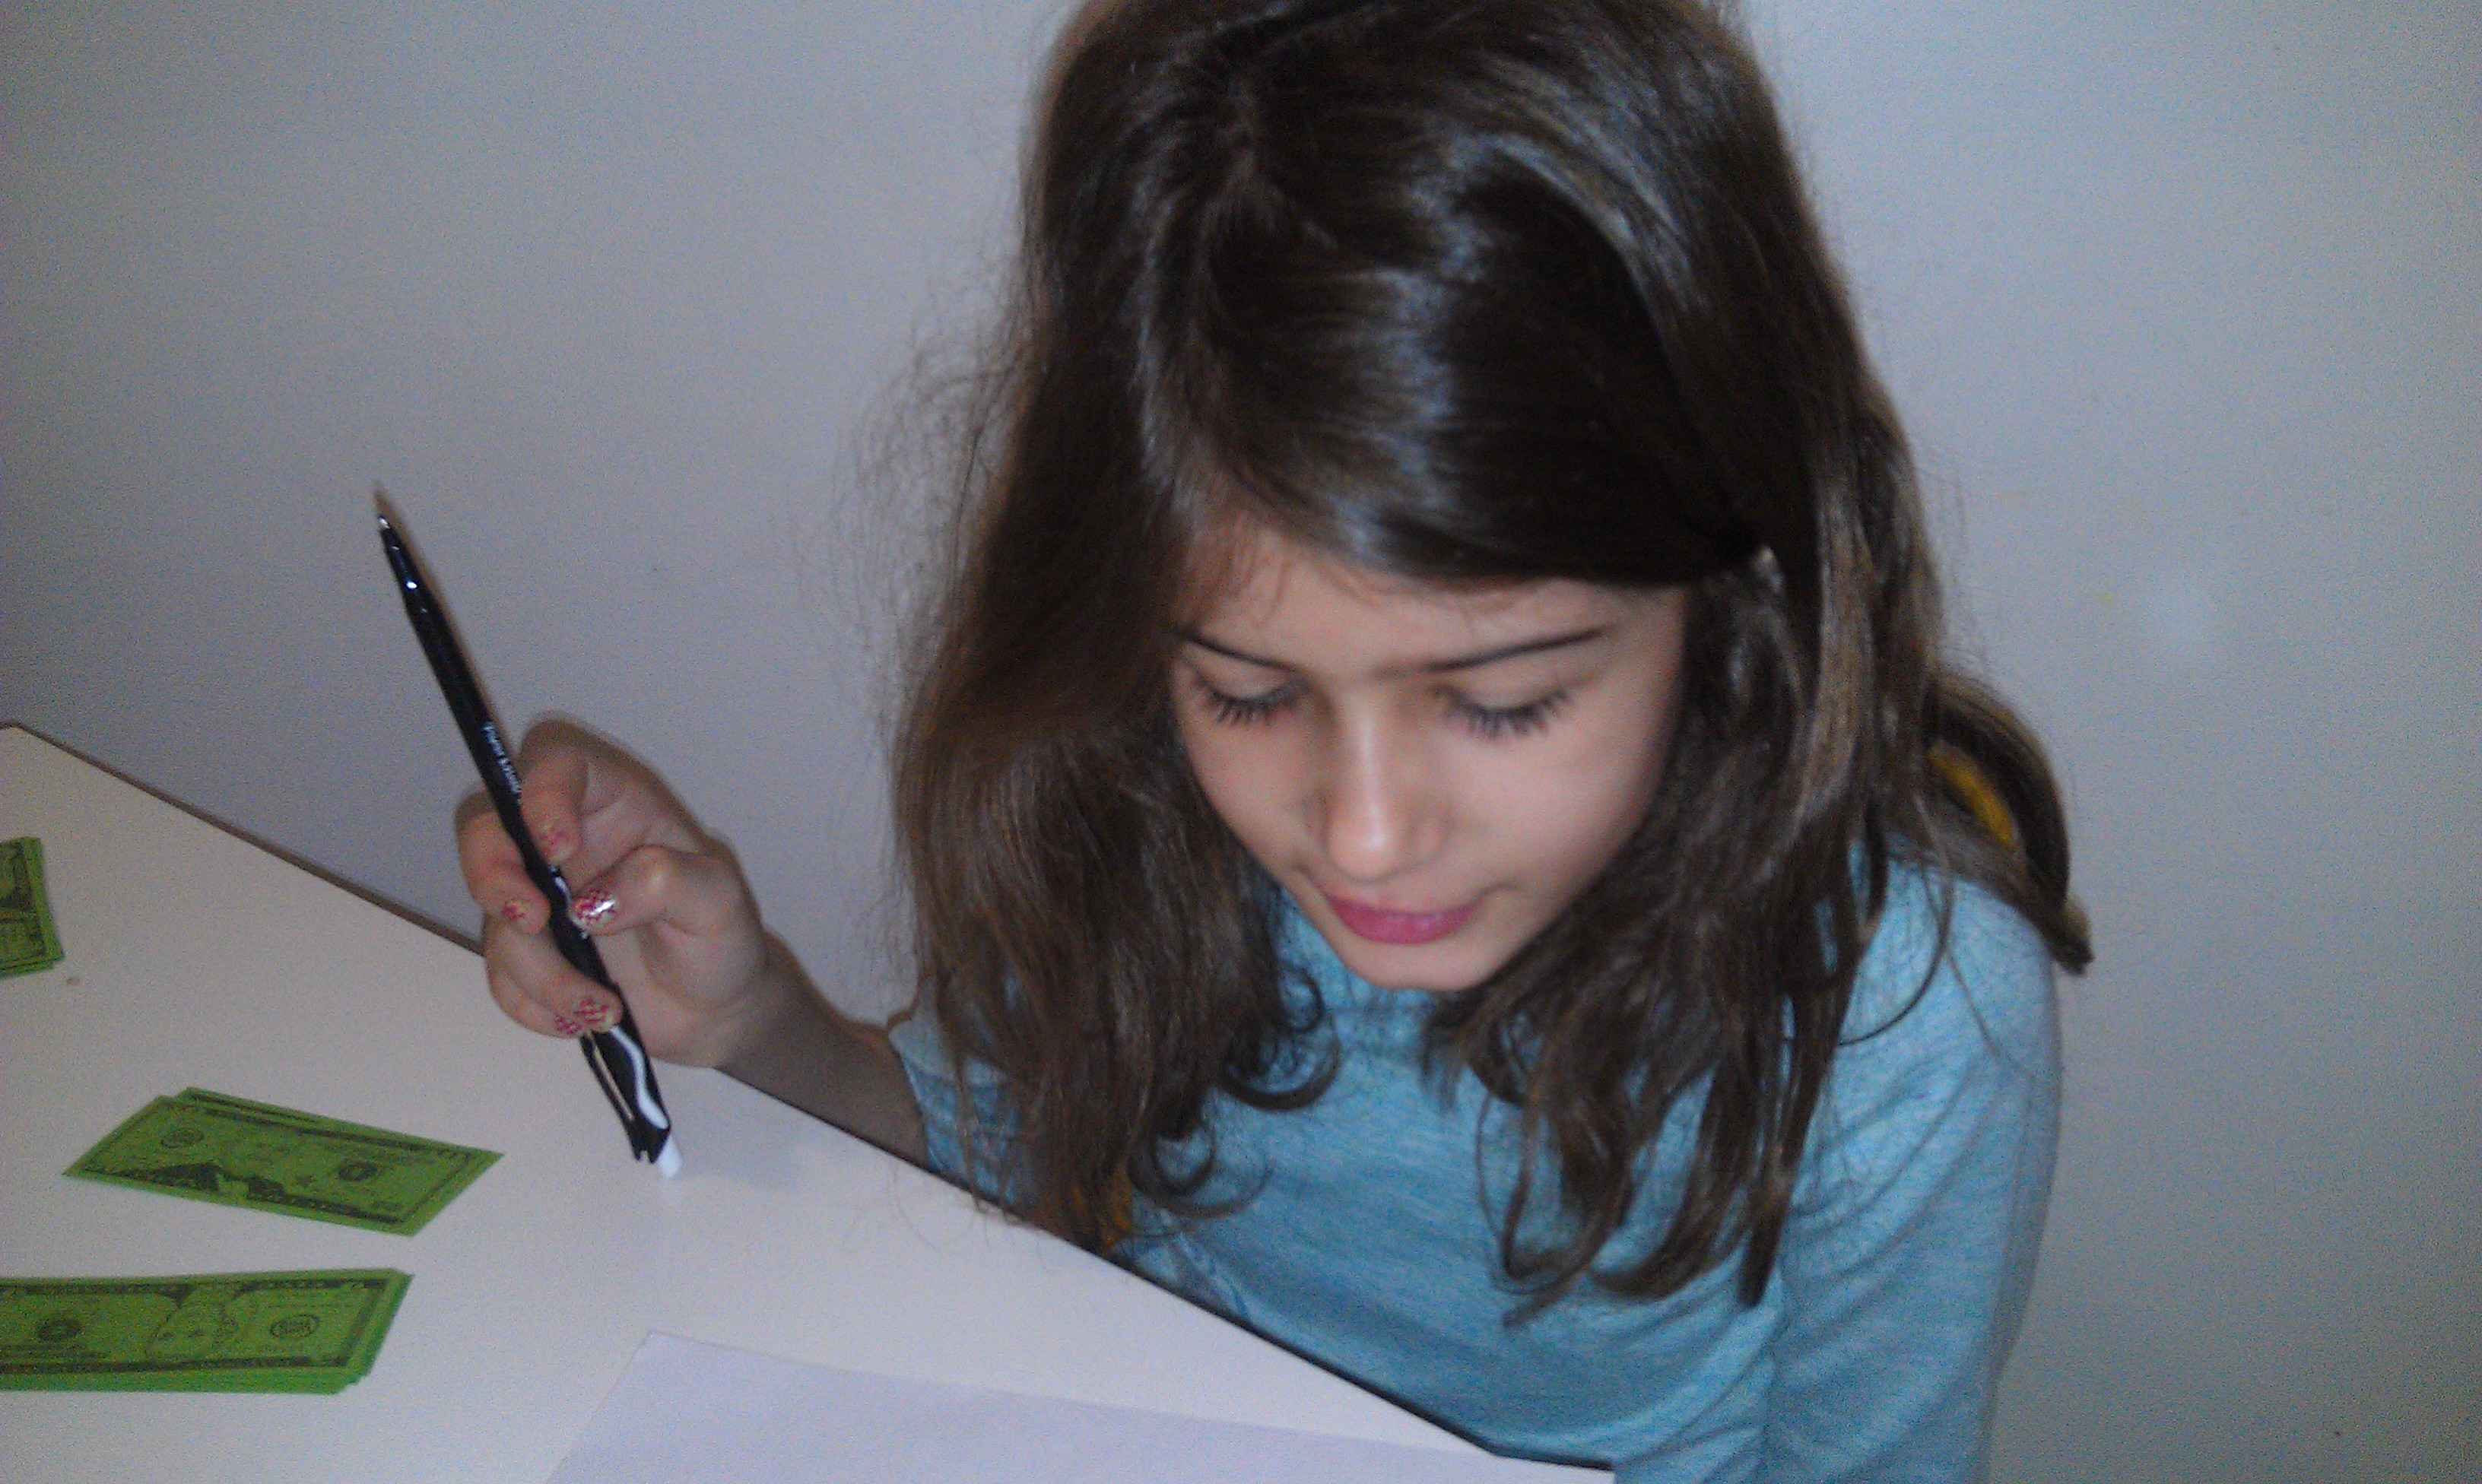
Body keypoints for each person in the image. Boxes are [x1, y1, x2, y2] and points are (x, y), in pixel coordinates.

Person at [459, 0, 2092, 1478]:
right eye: (1247, 692)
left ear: (1736, 584)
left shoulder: (1905, 1014)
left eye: (1502, 700)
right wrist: (749, 1016)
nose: (1362, 835)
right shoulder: (1138, 797)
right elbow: (973, 1146)